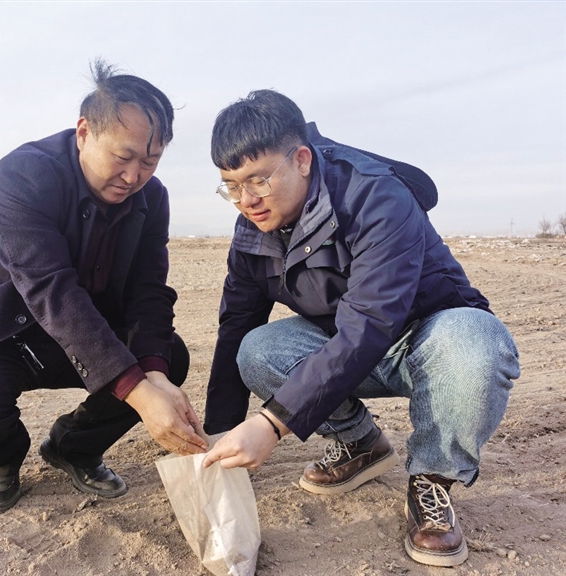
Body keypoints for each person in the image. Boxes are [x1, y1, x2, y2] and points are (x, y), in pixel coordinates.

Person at [201, 89, 520, 567]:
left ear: (302, 160)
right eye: (231, 186)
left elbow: (370, 322)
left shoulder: (374, 196)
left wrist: (271, 423)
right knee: (256, 350)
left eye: (258, 181)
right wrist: (217, 436)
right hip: (350, 344)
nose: (246, 201)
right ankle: (361, 443)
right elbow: (236, 324)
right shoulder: (253, 231)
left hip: (429, 339)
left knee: (477, 344)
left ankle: (432, 479)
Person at [0, 61, 207, 515]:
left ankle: (73, 446)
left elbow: (149, 290)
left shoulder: (152, 198)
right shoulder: (24, 175)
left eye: (150, 162)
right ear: (84, 132)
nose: (134, 176)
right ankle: (3, 459)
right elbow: (51, 290)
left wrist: (155, 376)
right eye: (123, 157)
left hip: (85, 335)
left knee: (166, 357)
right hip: (6, 332)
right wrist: (139, 392)